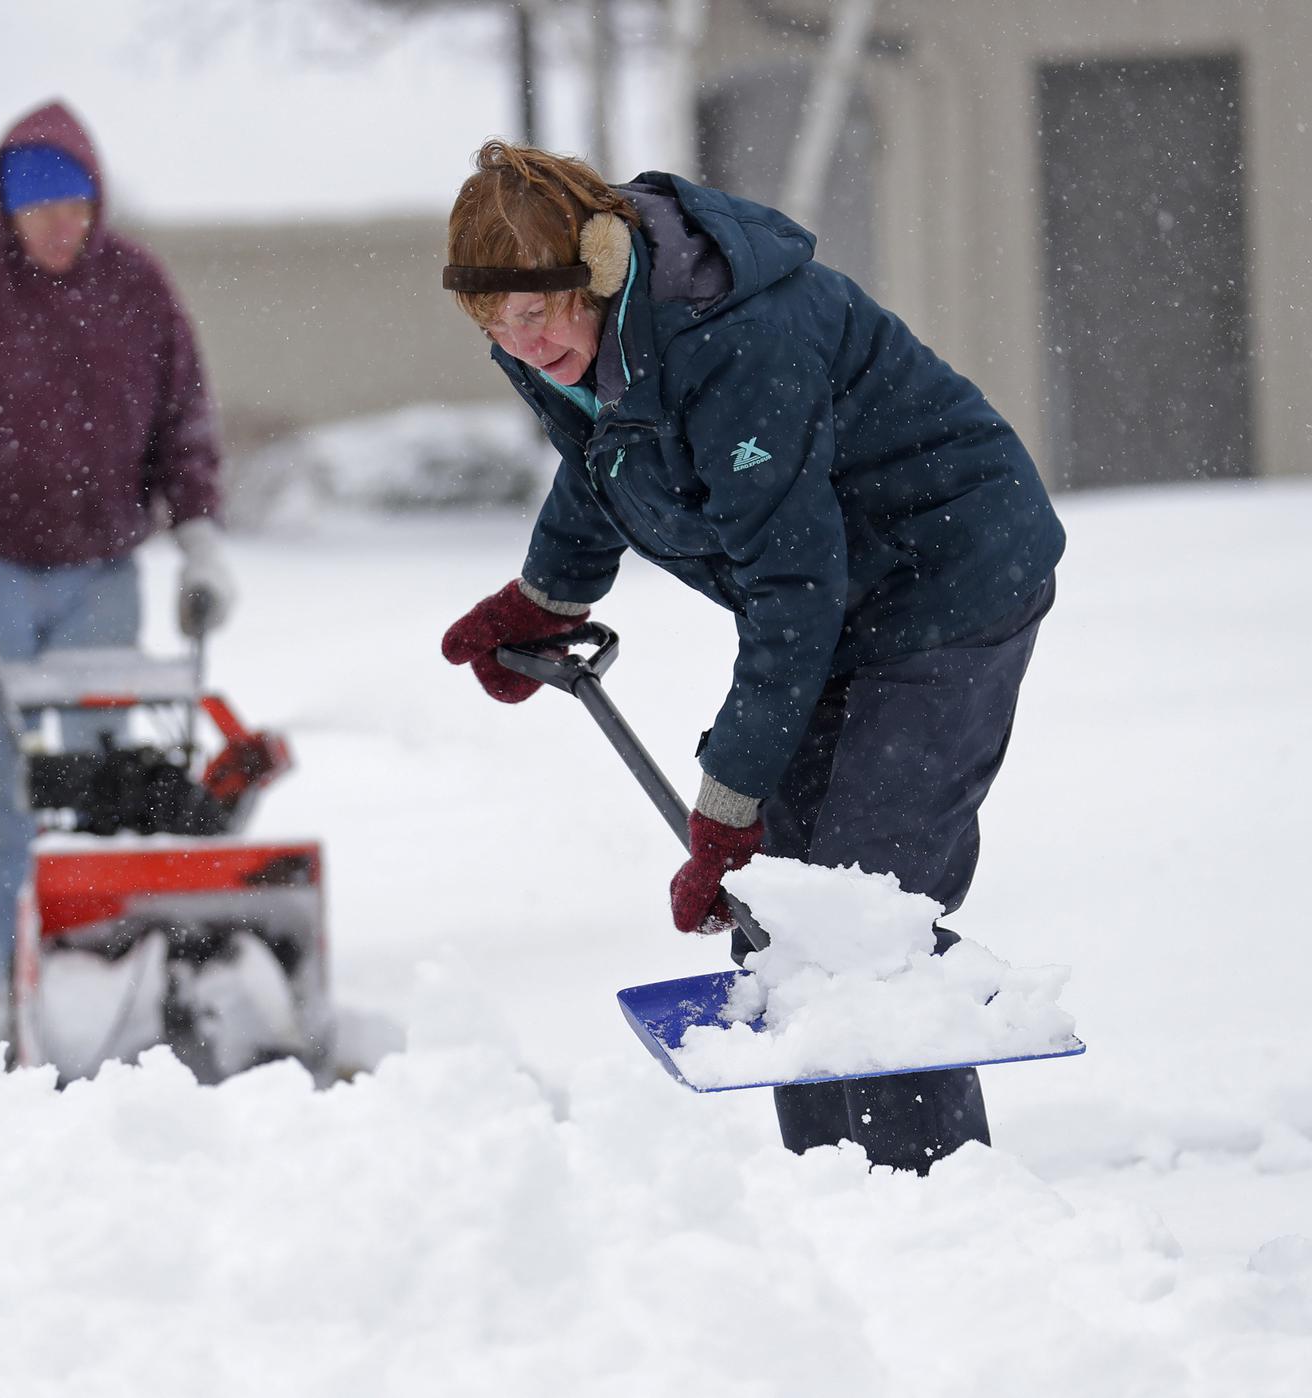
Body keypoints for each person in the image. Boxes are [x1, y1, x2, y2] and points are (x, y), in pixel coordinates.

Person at [438, 140, 1065, 1174]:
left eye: (538, 309)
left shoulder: (737, 339)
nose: (521, 341)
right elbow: (607, 459)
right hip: (841, 593)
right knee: (782, 896)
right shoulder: (573, 344)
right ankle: (829, 1187)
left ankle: (943, 1207)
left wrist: (726, 803)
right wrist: (545, 599)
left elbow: (791, 591)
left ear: (599, 263)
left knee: (867, 900)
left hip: (950, 575)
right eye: (494, 320)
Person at [0, 101, 235, 985]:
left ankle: (105, 948)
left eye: (76, 210)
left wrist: (198, 542)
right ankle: (20, 962)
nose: (62, 229)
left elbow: (183, 423)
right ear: (7, 208)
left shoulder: (136, 288)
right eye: (42, 212)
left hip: (103, 569)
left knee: (101, 768)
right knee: (2, 774)